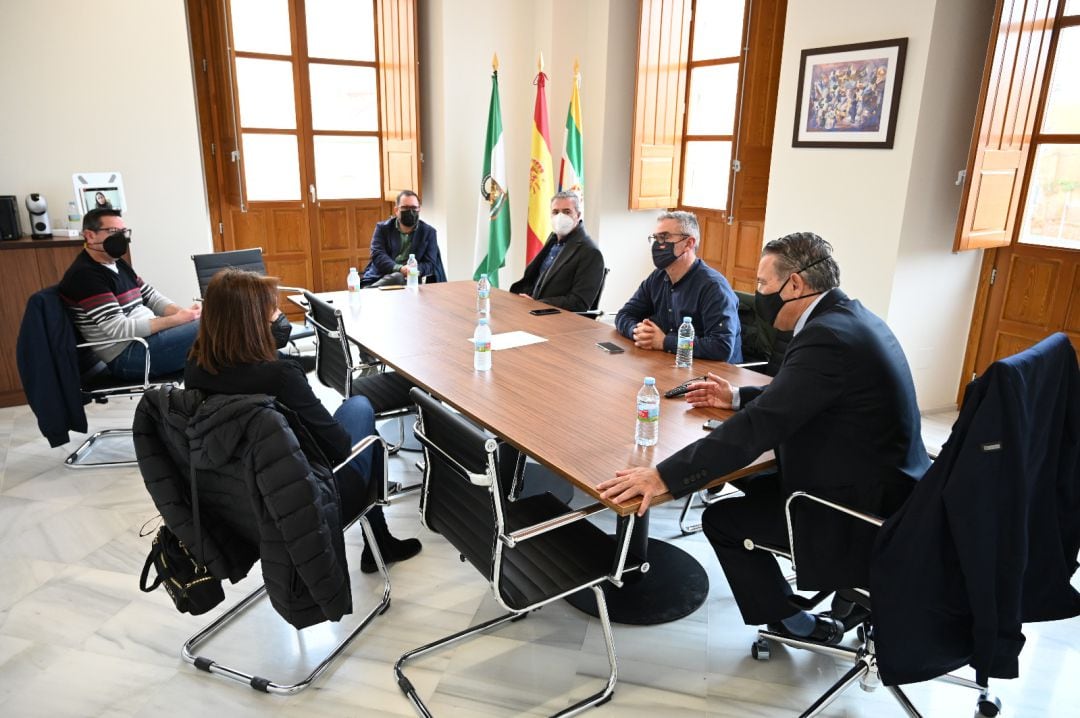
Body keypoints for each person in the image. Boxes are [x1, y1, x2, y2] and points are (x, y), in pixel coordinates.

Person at [598, 232, 929, 645]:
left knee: (722, 519)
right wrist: (735, 396)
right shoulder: (848, 318)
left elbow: (758, 429)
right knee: (733, 476)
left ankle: (794, 625)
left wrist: (662, 476)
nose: (756, 296)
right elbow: (802, 395)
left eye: (762, 285)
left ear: (795, 285)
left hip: (853, 508)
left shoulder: (827, 338)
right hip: (892, 485)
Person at [185, 269, 422, 573]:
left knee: (355, 412)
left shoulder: (195, 364)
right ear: (251, 321)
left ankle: (380, 541)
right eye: (273, 309)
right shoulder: (280, 376)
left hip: (239, 499)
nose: (281, 316)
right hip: (306, 499)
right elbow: (337, 447)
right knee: (360, 409)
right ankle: (379, 540)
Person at [58, 208, 201, 381]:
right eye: (113, 232)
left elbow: (151, 297)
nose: (121, 238)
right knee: (217, 327)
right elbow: (119, 329)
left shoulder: (117, 263)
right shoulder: (85, 275)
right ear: (90, 236)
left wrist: (187, 314)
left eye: (123, 232)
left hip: (148, 341)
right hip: (129, 356)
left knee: (218, 328)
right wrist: (177, 320)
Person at [615, 211, 742, 362]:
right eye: (655, 238)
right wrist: (639, 332)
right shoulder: (658, 277)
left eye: (664, 237)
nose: (657, 244)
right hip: (671, 363)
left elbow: (721, 347)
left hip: (714, 376)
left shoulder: (714, 287)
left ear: (689, 243)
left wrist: (665, 342)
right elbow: (624, 314)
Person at [508, 191, 605, 312]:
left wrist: (537, 304)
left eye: (567, 212)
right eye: (555, 212)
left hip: (557, 320)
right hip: (531, 310)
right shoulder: (553, 240)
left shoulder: (590, 252)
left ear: (578, 215)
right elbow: (535, 279)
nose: (560, 216)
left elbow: (579, 302)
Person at [361, 190, 446, 287]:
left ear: (419, 210)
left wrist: (412, 270)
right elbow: (377, 255)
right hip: (379, 277)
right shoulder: (382, 229)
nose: (410, 211)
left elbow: (430, 263)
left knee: (399, 278)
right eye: (405, 208)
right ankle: (369, 291)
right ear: (396, 210)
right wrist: (399, 269)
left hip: (411, 280)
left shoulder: (429, 232)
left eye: (414, 208)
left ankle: (368, 293)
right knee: (398, 277)